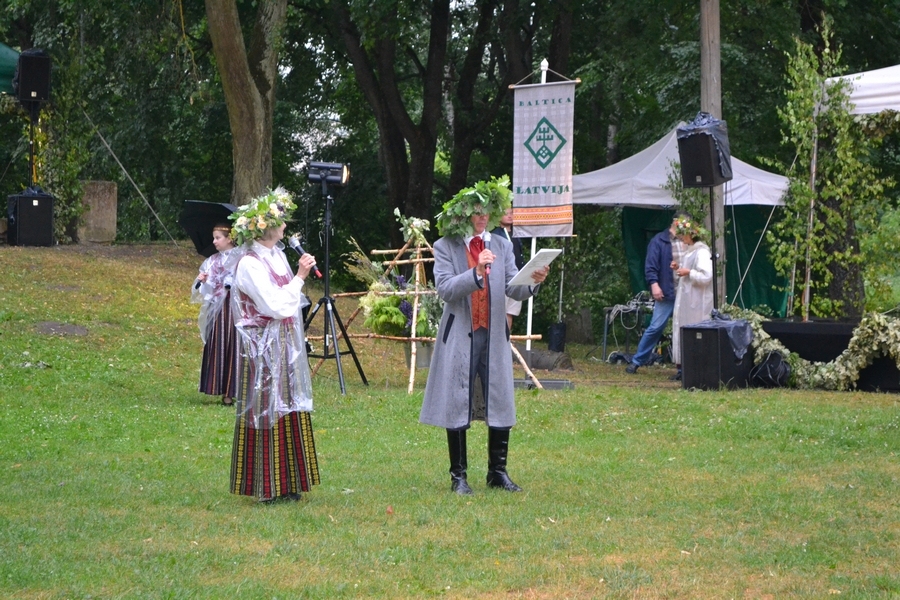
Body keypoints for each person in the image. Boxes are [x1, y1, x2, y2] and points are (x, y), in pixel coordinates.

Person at [420, 178, 549, 495]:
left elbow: (511, 288)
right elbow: (446, 289)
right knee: (457, 400)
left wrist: (533, 280)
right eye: (475, 211)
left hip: (493, 335)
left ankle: (497, 472)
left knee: (500, 398)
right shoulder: (446, 245)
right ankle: (458, 477)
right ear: (462, 214)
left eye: (486, 211)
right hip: (460, 335)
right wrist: (476, 273)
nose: (481, 217)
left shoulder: (501, 244)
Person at [228, 188, 320, 503]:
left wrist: (297, 278)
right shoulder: (249, 264)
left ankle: (290, 481)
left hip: (285, 343)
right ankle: (268, 487)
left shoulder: (277, 254)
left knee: (289, 405)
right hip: (263, 347)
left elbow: (290, 305)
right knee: (267, 408)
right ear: (266, 226)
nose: (284, 227)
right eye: (280, 221)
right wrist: (300, 277)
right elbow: (276, 306)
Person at [625, 213, 687, 374]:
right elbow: (650, 265)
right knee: (655, 327)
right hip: (667, 292)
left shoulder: (688, 241)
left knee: (685, 330)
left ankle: (683, 368)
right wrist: (654, 285)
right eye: (684, 223)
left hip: (686, 293)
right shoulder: (659, 241)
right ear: (675, 222)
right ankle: (637, 361)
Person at [191, 224, 241, 406]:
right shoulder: (212, 261)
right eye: (214, 238)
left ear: (229, 239)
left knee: (235, 346)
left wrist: (233, 281)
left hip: (237, 309)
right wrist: (202, 281)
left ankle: (232, 391)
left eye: (218, 238)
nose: (214, 241)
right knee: (220, 345)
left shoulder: (242, 259)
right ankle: (220, 388)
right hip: (219, 310)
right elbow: (204, 291)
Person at [670, 218, 714, 380]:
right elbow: (688, 269)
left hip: (697, 301)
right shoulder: (690, 250)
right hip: (687, 299)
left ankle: (695, 368)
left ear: (691, 234)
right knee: (683, 330)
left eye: (683, 235)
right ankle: (682, 368)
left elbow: (706, 276)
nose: (681, 238)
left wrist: (689, 272)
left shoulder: (702, 251)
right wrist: (679, 268)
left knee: (695, 333)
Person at [491, 207, 525, 330]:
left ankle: (507, 338)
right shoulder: (495, 235)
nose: (510, 216)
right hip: (502, 278)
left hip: (517, 275)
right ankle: (498, 339)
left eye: (511, 213)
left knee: (511, 311)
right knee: (500, 310)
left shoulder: (517, 233)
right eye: (506, 214)